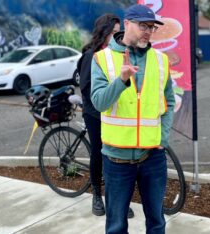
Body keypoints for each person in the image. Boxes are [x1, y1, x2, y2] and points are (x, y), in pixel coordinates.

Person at [91, 4, 175, 234]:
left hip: (152, 156)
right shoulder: (102, 59)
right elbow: (99, 102)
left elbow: (168, 102)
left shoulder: (160, 60)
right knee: (116, 225)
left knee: (157, 221)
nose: (148, 31)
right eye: (143, 25)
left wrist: (163, 137)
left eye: (152, 27)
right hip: (117, 160)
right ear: (127, 24)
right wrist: (121, 79)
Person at [79, 13, 134, 218]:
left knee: (117, 155)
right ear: (104, 33)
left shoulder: (121, 53)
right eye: (113, 32)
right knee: (100, 152)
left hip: (116, 112)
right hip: (95, 113)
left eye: (119, 31)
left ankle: (118, 199)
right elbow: (86, 89)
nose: (117, 35)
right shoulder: (91, 56)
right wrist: (101, 110)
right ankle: (96, 194)